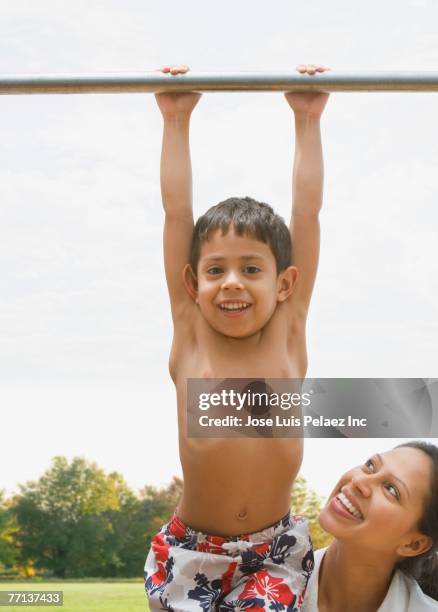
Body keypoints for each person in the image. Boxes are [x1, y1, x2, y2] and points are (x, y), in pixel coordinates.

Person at [144, 63, 330, 610]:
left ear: (285, 283)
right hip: (189, 551)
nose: (232, 283)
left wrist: (307, 120)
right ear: (191, 282)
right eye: (216, 270)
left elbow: (308, 214)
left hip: (274, 552)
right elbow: (175, 211)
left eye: (252, 269)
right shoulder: (191, 333)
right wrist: (175, 120)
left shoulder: (288, 334)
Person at [302, 441, 438, 611]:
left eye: (391, 490)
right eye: (371, 466)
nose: (359, 480)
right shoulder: (268, 577)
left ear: (413, 544)